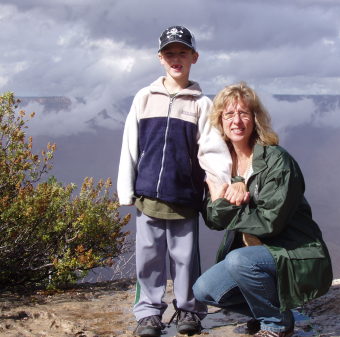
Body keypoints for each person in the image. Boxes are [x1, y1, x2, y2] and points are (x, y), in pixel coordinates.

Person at [117, 25, 238, 337]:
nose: (176, 58)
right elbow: (131, 146)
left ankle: (189, 311)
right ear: (160, 57)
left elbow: (211, 150)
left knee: (185, 259)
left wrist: (219, 183)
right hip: (147, 196)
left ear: (194, 57)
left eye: (182, 52)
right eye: (170, 52)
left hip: (184, 196)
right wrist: (126, 191)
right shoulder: (144, 98)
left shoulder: (201, 103)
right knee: (149, 258)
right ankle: (148, 313)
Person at [193, 82, 333, 337]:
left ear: (255, 119)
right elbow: (213, 220)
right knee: (205, 289)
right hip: (257, 257)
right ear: (220, 121)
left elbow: (270, 223)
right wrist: (224, 197)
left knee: (238, 260)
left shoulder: (276, 160)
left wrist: (225, 200)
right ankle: (276, 313)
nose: (237, 121)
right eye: (229, 114)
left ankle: (275, 325)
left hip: (292, 251)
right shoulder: (221, 165)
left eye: (244, 113)